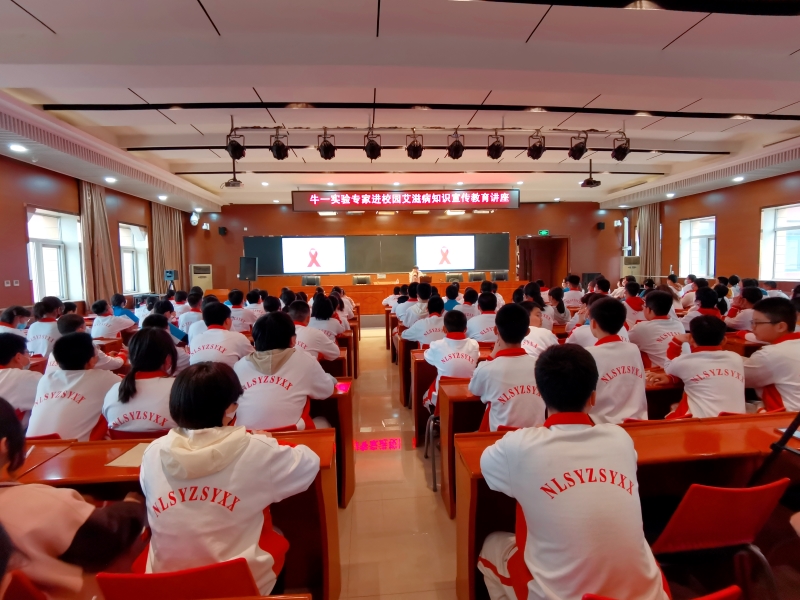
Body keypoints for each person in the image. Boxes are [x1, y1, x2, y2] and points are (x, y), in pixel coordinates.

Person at [477, 344, 669, 600]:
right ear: (593, 397)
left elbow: (486, 467)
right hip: (648, 594)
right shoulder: (620, 438)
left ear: (540, 394)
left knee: (491, 544)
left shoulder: (519, 446)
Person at [140, 362, 319, 594]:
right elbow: (310, 463)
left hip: (166, 586)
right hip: (238, 583)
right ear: (231, 407)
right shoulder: (255, 449)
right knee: (276, 535)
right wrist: (269, 442)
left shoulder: (153, 452)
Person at [0, 398, 146, 599]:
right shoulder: (43, 504)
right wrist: (133, 503)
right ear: (5, 446)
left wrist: (75, 508)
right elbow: (110, 532)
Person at [234, 312, 336, 431]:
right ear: (293, 340)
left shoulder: (239, 366)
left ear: (255, 342)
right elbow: (326, 391)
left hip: (248, 438)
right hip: (291, 437)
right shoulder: (305, 360)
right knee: (324, 421)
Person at [26, 333, 121, 441]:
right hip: (74, 449)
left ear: (57, 361)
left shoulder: (45, 379)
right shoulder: (104, 378)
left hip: (31, 447)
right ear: (91, 361)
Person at [648, 315, 746, 418]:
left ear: (691, 339)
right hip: (737, 420)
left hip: (700, 423)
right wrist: (673, 379)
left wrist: (676, 341)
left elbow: (669, 367)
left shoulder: (686, 361)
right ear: (724, 340)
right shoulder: (736, 359)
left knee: (672, 408)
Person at [469, 303, 545, 431]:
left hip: (499, 439)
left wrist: (491, 357)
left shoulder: (486, 369)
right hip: (536, 438)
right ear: (527, 332)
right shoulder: (542, 367)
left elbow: (474, 390)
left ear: (495, 331)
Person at [585, 298, 647, 423]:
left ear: (594, 323)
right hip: (638, 421)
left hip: (602, 425)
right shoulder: (633, 349)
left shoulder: (588, 354)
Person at [103, 328, 178, 433]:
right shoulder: (180, 390)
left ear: (131, 358)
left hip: (122, 445)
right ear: (168, 359)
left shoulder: (114, 391)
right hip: (169, 444)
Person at [741, 298, 800, 411]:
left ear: (781, 327)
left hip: (786, 417)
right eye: (752, 322)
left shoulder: (771, 354)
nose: (753, 327)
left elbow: (737, 377)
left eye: (757, 323)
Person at [422, 310, 480, 410]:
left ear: (444, 329)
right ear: (465, 329)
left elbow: (427, 357)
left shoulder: (437, 345)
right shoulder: (474, 344)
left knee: (425, 396)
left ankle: (436, 417)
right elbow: (477, 356)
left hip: (442, 399)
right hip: (468, 397)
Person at [45, 314, 125, 374]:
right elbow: (114, 364)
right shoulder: (86, 345)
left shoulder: (56, 350)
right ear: (80, 329)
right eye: (85, 327)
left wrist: (106, 356)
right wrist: (122, 355)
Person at [627, 291, 685, 368]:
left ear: (649, 310)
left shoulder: (642, 328)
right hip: (686, 370)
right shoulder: (679, 324)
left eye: (645, 306)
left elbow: (624, 342)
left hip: (662, 373)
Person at [189, 302, 254, 367]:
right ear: (227, 321)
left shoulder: (195, 339)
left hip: (195, 373)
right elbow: (254, 359)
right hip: (226, 373)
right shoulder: (238, 337)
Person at [0, 333, 41, 426]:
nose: (29, 356)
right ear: (18, 357)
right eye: (27, 352)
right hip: (10, 433)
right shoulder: (25, 377)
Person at [565, 293, 631, 348]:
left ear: (588, 311)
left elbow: (567, 345)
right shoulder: (623, 329)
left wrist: (579, 323)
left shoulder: (580, 331)